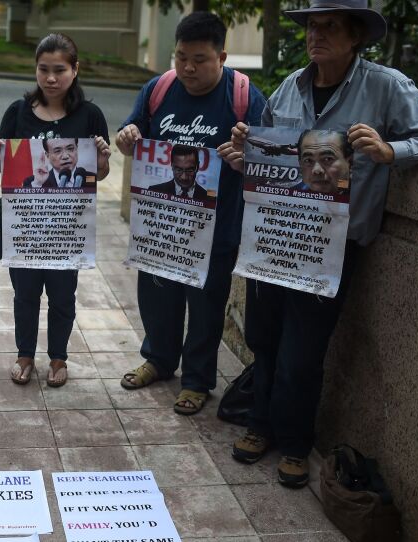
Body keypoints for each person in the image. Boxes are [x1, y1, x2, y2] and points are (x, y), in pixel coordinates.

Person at [219, 0, 418, 488]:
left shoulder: (385, 86)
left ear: (355, 37)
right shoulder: (289, 88)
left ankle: (293, 443)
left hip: (331, 247)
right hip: (276, 238)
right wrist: (246, 155)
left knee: (303, 352)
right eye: (311, 25)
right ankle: (259, 424)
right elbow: (278, 165)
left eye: (329, 26)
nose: (315, 35)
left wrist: (393, 151)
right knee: (263, 339)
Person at [115, 12, 266, 414]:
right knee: (156, 298)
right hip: (161, 224)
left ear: (222, 56)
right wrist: (126, 138)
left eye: (199, 59)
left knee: (205, 307)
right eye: (180, 57)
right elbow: (130, 136)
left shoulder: (244, 97)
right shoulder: (159, 89)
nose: (187, 67)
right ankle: (159, 360)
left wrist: (245, 157)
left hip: (217, 228)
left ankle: (198, 380)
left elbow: (269, 163)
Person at [0, 33, 111, 388]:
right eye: (44, 69)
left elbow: (98, 174)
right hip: (26, 225)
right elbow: (5, 172)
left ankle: (58, 357)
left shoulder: (90, 116)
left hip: (67, 230)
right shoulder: (18, 111)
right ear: (35, 70)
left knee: (62, 296)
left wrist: (101, 160)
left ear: (75, 70)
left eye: (60, 70)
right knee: (25, 294)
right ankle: (24, 354)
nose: (51, 78)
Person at [23, 138, 96, 188]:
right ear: (47, 155)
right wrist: (38, 184)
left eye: (70, 149)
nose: (65, 156)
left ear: (77, 148)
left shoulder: (91, 178)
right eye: (58, 151)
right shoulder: (33, 182)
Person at [296, 129, 352, 193]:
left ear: (350, 163)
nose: (317, 170)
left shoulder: (361, 194)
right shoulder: (291, 195)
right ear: (300, 164)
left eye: (327, 159)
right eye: (308, 160)